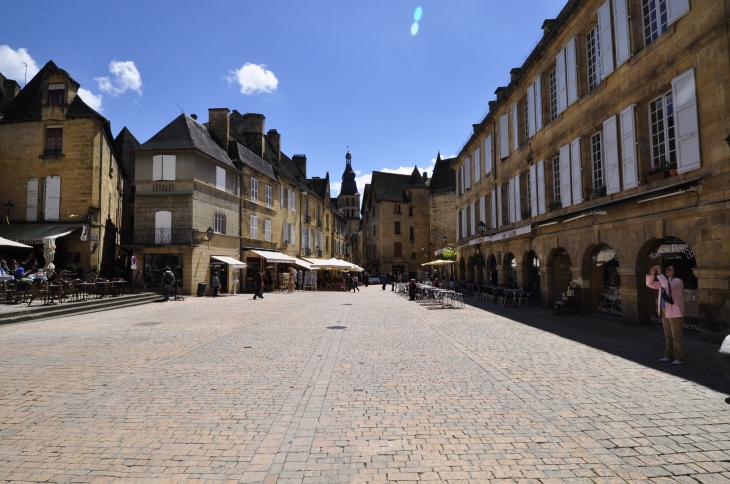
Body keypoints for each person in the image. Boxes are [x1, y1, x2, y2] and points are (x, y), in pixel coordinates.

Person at [646, 265, 686, 365]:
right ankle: (669, 355)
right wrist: (652, 274)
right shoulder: (664, 281)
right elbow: (649, 284)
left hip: (675, 312)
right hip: (665, 310)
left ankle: (680, 357)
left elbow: (667, 286)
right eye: (667, 269)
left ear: (675, 272)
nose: (667, 270)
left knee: (676, 336)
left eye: (670, 269)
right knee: (668, 335)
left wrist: (660, 274)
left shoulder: (677, 281)